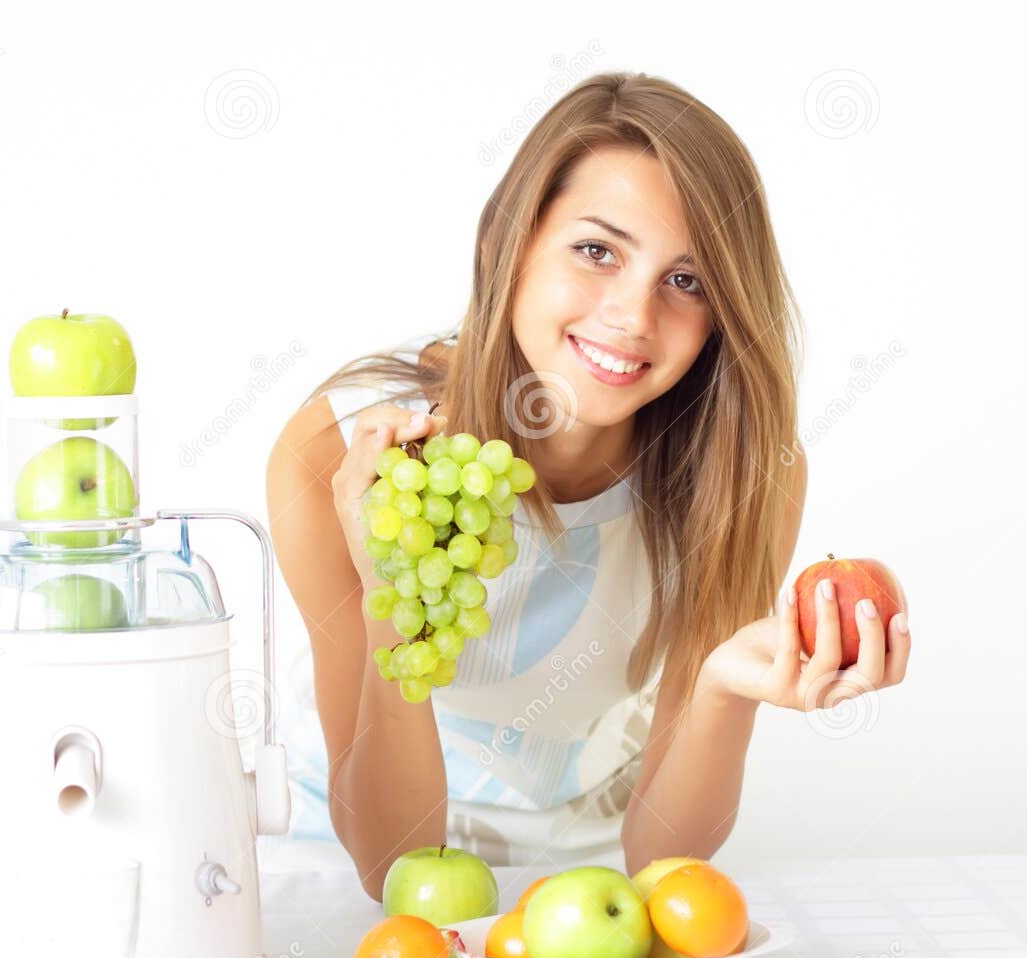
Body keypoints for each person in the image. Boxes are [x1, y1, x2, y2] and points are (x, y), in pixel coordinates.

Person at [265, 72, 910, 899]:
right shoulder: (338, 454)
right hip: (334, 867)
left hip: (584, 877)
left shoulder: (747, 472)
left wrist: (721, 686)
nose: (634, 318)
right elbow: (393, 866)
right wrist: (391, 602)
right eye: (597, 251)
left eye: (688, 280)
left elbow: (663, 860)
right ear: (511, 242)